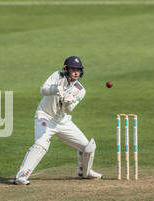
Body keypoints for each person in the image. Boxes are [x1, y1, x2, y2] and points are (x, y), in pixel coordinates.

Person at [14, 56, 102, 185]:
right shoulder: (57, 76)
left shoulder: (80, 90)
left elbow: (68, 110)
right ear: (66, 69)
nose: (76, 72)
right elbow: (42, 90)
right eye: (73, 69)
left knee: (88, 147)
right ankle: (21, 176)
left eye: (78, 70)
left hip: (62, 121)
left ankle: (85, 172)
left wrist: (67, 102)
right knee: (41, 145)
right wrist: (55, 89)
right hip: (45, 117)